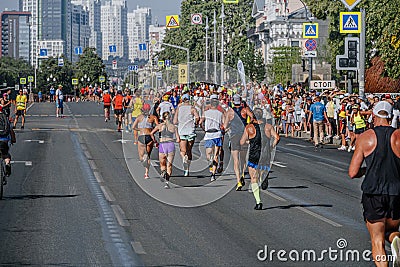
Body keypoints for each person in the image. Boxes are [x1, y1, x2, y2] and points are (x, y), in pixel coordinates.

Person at [349, 101, 400, 267]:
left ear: (373, 116)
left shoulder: (365, 138)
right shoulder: (399, 136)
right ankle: (396, 240)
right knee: (391, 230)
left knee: (377, 241)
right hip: (396, 193)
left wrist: (366, 170)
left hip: (374, 193)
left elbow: (353, 172)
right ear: (391, 116)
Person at [224, 94, 251, 191]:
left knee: (236, 160)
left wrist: (227, 127)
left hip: (234, 136)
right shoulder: (245, 110)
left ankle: (238, 180)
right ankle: (243, 173)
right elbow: (253, 118)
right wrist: (248, 126)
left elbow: (225, 125)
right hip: (244, 136)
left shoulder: (229, 112)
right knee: (243, 158)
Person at [240, 108, 264, 210]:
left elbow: (242, 142)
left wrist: (249, 142)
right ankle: (263, 178)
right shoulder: (267, 127)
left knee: (253, 178)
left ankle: (258, 201)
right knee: (260, 173)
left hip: (254, 153)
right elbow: (276, 138)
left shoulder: (249, 127)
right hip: (264, 154)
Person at [151, 111, 180, 188]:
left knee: (162, 164)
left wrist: (155, 141)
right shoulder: (174, 127)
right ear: (170, 117)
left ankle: (163, 172)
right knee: (169, 165)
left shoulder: (160, 126)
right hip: (170, 145)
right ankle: (167, 182)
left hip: (162, 145)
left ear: (162, 118)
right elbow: (178, 139)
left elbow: (151, 133)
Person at [173, 93, 199, 176]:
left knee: (183, 151)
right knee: (189, 151)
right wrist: (195, 122)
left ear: (182, 100)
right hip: (191, 131)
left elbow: (174, 121)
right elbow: (197, 117)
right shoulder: (192, 108)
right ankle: (187, 169)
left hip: (182, 132)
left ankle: (184, 161)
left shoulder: (179, 108)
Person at [200, 94, 224, 182]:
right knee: (215, 155)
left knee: (209, 154)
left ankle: (213, 174)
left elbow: (200, 122)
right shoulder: (220, 113)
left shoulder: (206, 112)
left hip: (210, 134)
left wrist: (203, 128)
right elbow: (224, 124)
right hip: (217, 134)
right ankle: (213, 172)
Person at [132, 103, 159, 179]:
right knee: (148, 156)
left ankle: (144, 160)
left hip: (141, 136)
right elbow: (158, 126)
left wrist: (139, 129)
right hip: (149, 136)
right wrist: (153, 131)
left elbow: (133, 127)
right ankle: (146, 173)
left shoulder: (139, 117)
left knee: (141, 156)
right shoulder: (153, 117)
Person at [0, 106, 16, 184]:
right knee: (6, 155)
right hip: (4, 141)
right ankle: (7, 163)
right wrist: (13, 140)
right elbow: (11, 130)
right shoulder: (5, 119)